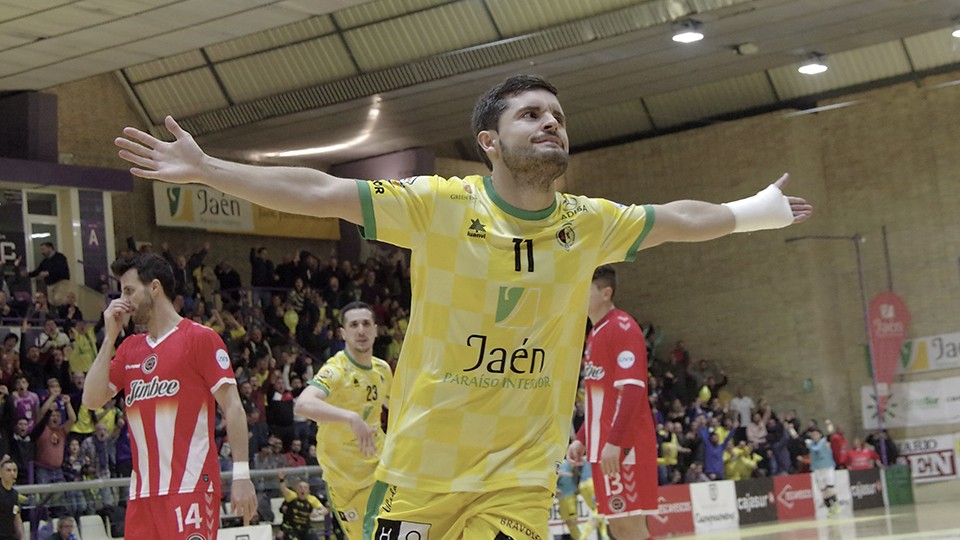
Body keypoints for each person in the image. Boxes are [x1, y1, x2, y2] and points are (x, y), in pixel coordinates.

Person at [114, 74, 812, 538]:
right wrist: (210, 170)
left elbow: (680, 219)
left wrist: (755, 211)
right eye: (531, 114)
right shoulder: (441, 204)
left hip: (516, 482)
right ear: (488, 141)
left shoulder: (589, 220)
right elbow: (320, 191)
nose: (551, 123)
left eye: (558, 116)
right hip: (420, 474)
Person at [82, 253, 256, 539]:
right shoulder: (128, 349)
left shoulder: (200, 338)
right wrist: (109, 339)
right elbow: (91, 400)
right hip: (143, 495)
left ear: (154, 287)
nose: (122, 302)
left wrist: (241, 475)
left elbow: (234, 407)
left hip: (191, 488)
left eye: (129, 291)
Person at [566, 265, 657, 539]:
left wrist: (614, 441)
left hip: (623, 446)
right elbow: (598, 398)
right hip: (605, 444)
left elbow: (631, 390)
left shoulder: (622, 327)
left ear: (606, 293)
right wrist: (582, 438)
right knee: (618, 525)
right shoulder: (595, 334)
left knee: (629, 524)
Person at [294, 301, 392, 539]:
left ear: (376, 330)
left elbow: (399, 411)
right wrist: (350, 417)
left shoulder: (383, 369)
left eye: (366, 324)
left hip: (381, 471)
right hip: (346, 484)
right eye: (354, 325)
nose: (361, 330)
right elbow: (303, 405)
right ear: (343, 333)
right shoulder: (336, 369)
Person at [277, 471, 328, 540]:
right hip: (291, 527)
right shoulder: (292, 496)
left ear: (308, 491)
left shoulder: (312, 499)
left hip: (305, 527)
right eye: (300, 487)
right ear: (296, 489)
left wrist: (317, 513)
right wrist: (281, 480)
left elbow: (324, 510)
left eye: (305, 488)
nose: (302, 489)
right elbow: (283, 489)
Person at [806, 428, 840, 517]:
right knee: (823, 490)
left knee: (830, 488)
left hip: (827, 467)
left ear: (820, 435)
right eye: (813, 434)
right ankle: (830, 508)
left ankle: (835, 504)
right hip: (817, 469)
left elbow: (831, 433)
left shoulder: (825, 441)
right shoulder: (810, 443)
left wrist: (829, 425)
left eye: (816, 434)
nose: (814, 436)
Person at [0, 458, 22, 540]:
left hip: (10, 536)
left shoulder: (14, 494)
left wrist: (22, 537)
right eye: (8, 470)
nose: (12, 473)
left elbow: (16, 516)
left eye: (14, 470)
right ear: (0, 473)